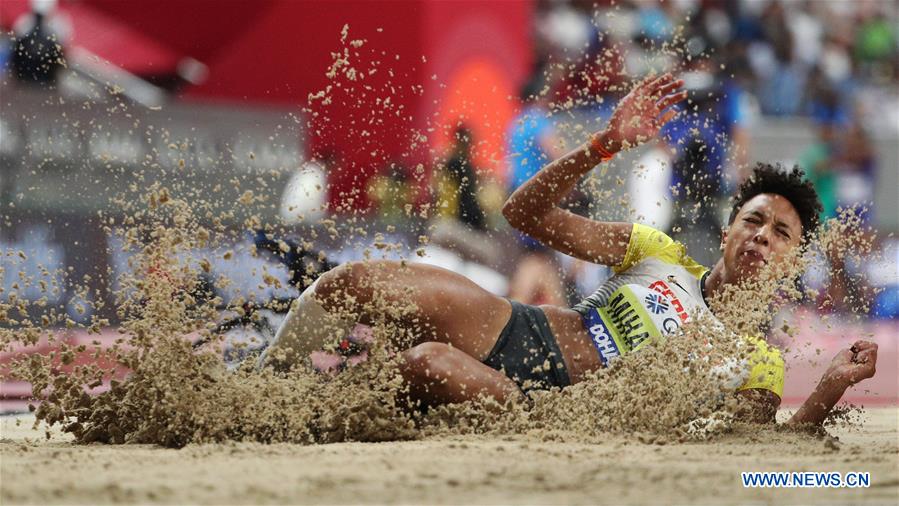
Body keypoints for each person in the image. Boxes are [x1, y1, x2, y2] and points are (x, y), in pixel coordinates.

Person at [259, 74, 878, 426]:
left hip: (547, 408)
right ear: (727, 230)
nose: (763, 237)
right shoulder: (659, 252)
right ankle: (256, 392)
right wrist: (602, 146)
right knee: (356, 281)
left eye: (781, 234)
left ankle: (307, 415)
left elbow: (766, 462)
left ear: (793, 261)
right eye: (755, 220)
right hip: (521, 329)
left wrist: (828, 388)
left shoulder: (758, 363)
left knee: (427, 363)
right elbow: (522, 214)